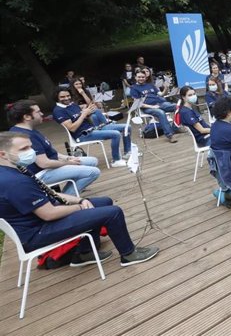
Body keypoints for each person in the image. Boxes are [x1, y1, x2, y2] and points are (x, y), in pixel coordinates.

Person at [0, 131, 159, 267]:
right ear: (3, 154)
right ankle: (128, 255)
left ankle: (84, 253)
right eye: (24, 148)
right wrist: (80, 208)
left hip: (38, 222)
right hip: (37, 233)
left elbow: (49, 194)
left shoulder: (13, 171)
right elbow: (49, 214)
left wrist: (80, 201)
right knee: (113, 212)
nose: (31, 151)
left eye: (30, 146)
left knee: (104, 202)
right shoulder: (15, 182)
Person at [9, 100, 101, 195]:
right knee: (93, 172)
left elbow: (50, 152)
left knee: (92, 161)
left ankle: (72, 189)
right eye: (38, 112)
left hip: (48, 167)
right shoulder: (24, 135)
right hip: (41, 173)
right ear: (27, 117)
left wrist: (67, 157)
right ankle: (64, 198)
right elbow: (44, 164)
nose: (42, 114)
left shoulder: (29, 130)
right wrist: (68, 163)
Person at [52, 89, 132, 167]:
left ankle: (127, 152)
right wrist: (84, 114)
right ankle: (116, 160)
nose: (66, 98)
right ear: (57, 98)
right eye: (62, 97)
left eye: (68, 96)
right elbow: (72, 128)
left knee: (127, 127)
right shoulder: (59, 111)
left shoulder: (72, 104)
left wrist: (89, 112)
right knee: (115, 134)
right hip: (82, 135)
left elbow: (83, 117)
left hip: (93, 129)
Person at [129, 71, 178, 143]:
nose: (141, 78)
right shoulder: (133, 88)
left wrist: (166, 88)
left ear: (145, 78)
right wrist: (152, 107)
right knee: (161, 113)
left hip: (160, 103)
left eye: (143, 77)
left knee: (177, 106)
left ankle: (175, 127)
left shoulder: (150, 85)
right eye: (139, 77)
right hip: (147, 108)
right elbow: (138, 104)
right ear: (135, 77)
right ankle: (170, 135)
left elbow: (161, 94)